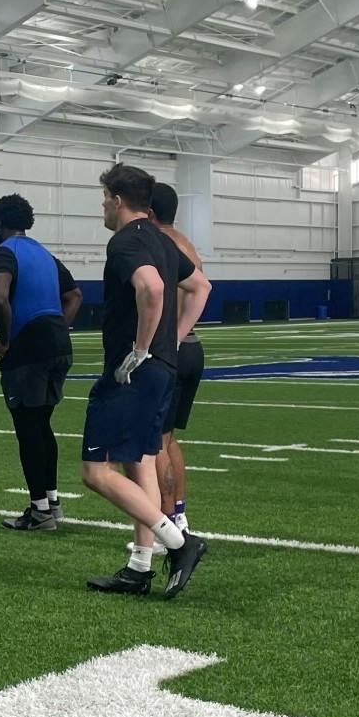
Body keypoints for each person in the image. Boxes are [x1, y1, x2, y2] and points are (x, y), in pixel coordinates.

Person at [82, 163, 210, 600]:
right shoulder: (161, 239)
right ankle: (140, 565)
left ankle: (180, 544)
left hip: (133, 372)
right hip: (163, 370)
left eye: (104, 198)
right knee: (141, 461)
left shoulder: (126, 242)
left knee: (96, 471)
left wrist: (141, 347)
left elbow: (152, 289)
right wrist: (170, 340)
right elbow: (201, 288)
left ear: (117, 200)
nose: (102, 206)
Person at [0, 194, 83, 531]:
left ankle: (39, 511)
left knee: (28, 430)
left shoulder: (2, 254)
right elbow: (74, 296)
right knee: (42, 426)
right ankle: (51, 503)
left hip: (29, 350)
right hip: (58, 345)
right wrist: (57, 324)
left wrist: (6, 339)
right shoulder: (45, 254)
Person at [148, 182, 212, 533]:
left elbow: (154, 294)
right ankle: (180, 515)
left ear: (150, 211)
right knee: (168, 438)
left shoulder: (157, 245)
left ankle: (168, 524)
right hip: (191, 346)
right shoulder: (187, 244)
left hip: (167, 349)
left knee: (154, 441)